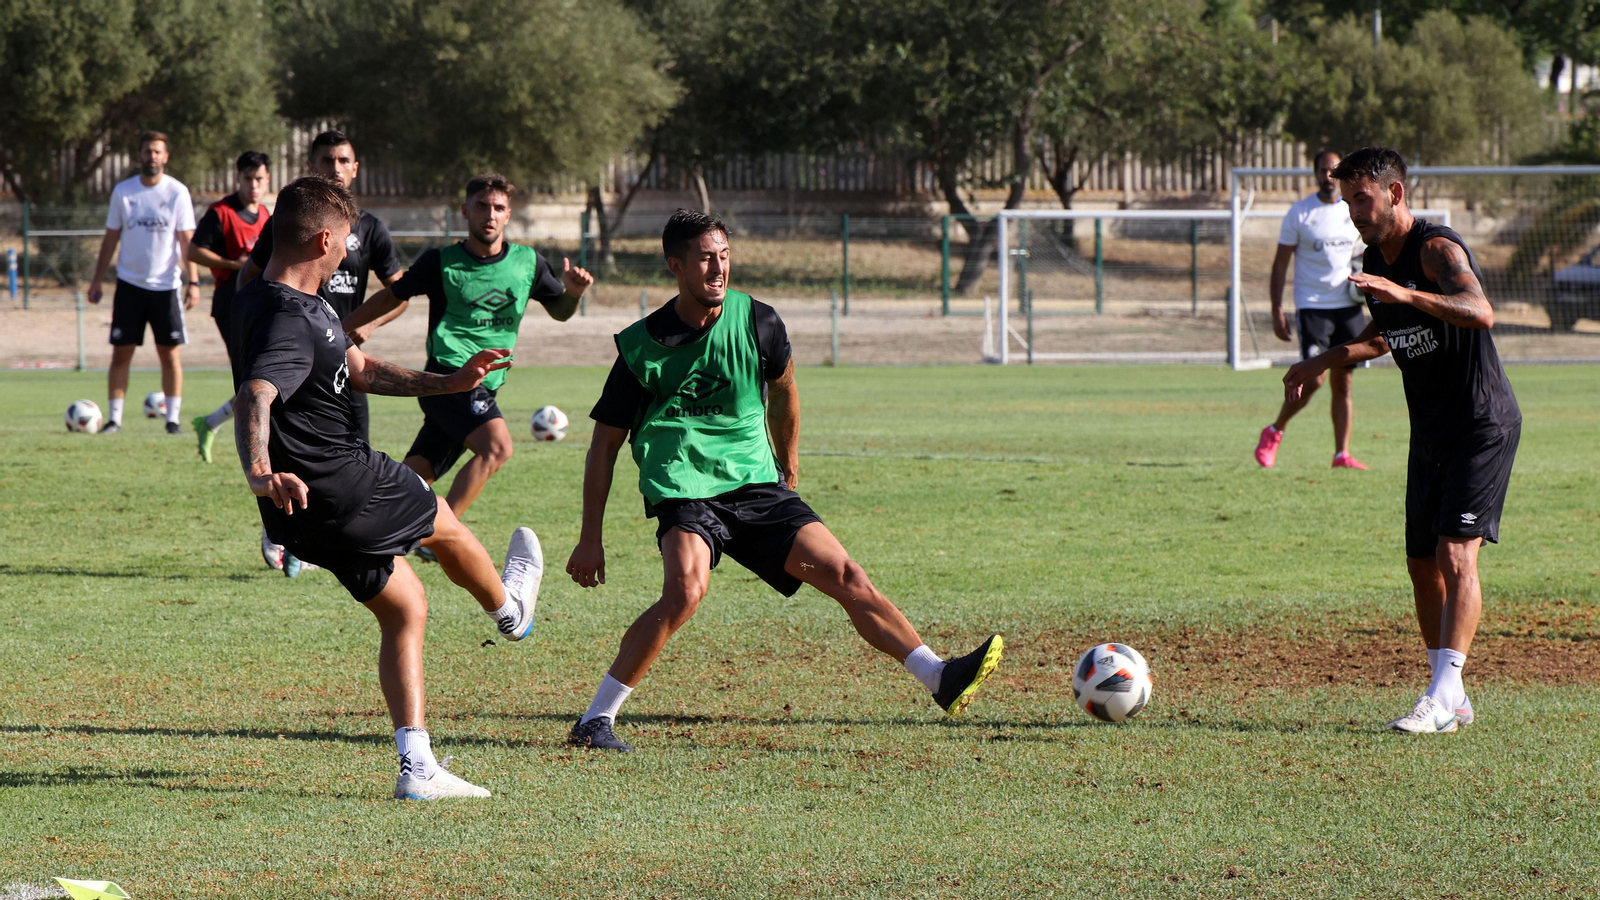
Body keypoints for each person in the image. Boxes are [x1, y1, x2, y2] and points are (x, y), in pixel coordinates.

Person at [563, 210, 1004, 753]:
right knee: (684, 593)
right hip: (684, 487)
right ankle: (595, 721)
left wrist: (788, 462)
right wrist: (590, 538)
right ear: (676, 266)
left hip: (756, 483)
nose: (718, 268)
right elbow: (603, 447)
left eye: (724, 255)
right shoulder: (640, 346)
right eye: (704, 258)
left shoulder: (758, 321)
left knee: (845, 573)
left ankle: (939, 676)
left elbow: (785, 389)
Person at [232, 175, 544, 799]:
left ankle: (417, 768)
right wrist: (259, 472)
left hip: (303, 515)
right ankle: (511, 612)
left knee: (406, 608)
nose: (349, 255)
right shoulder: (291, 318)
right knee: (445, 522)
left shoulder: (272, 299)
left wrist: (449, 384)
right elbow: (256, 394)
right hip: (344, 481)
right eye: (346, 241)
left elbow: (362, 370)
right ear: (324, 240)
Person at [1284, 147, 1520, 734]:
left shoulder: (1437, 248)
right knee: (1421, 563)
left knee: (1455, 554)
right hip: (1431, 429)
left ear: (1394, 193)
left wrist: (1407, 293)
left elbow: (1480, 311)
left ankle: (1441, 695)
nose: (1352, 211)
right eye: (1347, 200)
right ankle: (1452, 697)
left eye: (1361, 198)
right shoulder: (1373, 258)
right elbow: (1383, 336)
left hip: (1481, 423)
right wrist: (1321, 360)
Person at [342, 174, 592, 531]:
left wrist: (574, 294)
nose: (490, 214)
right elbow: (390, 296)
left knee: (416, 473)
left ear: (508, 215)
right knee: (497, 448)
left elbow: (560, 311)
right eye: (481, 206)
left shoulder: (528, 263)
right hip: (449, 377)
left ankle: (359, 524)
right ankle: (440, 534)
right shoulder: (441, 262)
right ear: (465, 211)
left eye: (498, 208)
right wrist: (339, 329)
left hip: (487, 385)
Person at [234, 129, 404, 572]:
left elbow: (399, 292)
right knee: (295, 447)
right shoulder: (293, 222)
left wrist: (364, 326)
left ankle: (349, 543)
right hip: (296, 353)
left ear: (355, 167)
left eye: (343, 160)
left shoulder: (371, 229)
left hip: (341, 355)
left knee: (353, 452)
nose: (335, 168)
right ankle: (288, 531)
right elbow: (250, 278)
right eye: (326, 160)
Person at [1255, 149, 1369, 470]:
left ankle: (1341, 454)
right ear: (1315, 173)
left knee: (1343, 383)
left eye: (1334, 170)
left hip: (1348, 305)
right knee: (1314, 379)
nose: (1328, 176)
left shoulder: (1353, 211)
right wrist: (1276, 309)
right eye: (1323, 170)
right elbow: (1280, 264)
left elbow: (1365, 253)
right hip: (1313, 306)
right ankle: (1275, 430)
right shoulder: (1300, 213)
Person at [87, 130, 200, 435]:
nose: (152, 156)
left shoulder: (177, 192)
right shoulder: (124, 192)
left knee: (170, 354)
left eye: (157, 151)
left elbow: (186, 241)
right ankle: (114, 420)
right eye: (147, 151)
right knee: (121, 353)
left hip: (166, 287)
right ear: (139, 155)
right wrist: (97, 280)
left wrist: (194, 282)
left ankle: (172, 420)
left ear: (166, 157)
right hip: (129, 285)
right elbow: (111, 238)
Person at [187, 151, 272, 462]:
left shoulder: (266, 215)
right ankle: (254, 452)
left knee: (264, 378)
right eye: (248, 179)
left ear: (268, 179)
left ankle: (211, 423)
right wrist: (235, 265)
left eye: (259, 179)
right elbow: (194, 252)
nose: (253, 185)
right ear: (238, 178)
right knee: (254, 378)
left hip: (262, 301)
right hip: (231, 302)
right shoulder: (220, 212)